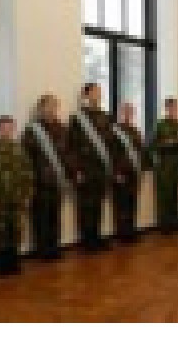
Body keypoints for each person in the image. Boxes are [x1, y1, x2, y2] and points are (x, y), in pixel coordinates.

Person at [0, 116, 35, 275]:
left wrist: (27, 195)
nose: (6, 131)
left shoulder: (20, 150)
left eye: (10, 128)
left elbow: (28, 174)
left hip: (17, 199)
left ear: (13, 129)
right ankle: (0, 265)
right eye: (3, 128)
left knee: (16, 231)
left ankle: (13, 263)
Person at [67, 83, 115, 251]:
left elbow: (110, 142)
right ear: (86, 95)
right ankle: (87, 240)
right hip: (86, 168)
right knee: (86, 205)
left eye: (99, 92)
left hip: (101, 168)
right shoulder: (78, 118)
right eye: (95, 92)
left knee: (98, 204)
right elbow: (71, 146)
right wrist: (77, 170)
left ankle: (96, 237)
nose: (98, 94)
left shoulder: (105, 116)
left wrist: (111, 165)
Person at [23, 94, 70, 259]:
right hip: (40, 182)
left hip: (57, 181)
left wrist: (70, 174)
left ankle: (54, 247)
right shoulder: (32, 130)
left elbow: (68, 153)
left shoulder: (62, 128)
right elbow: (27, 158)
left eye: (55, 106)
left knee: (55, 216)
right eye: (49, 105)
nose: (52, 109)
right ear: (41, 108)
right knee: (40, 217)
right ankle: (42, 250)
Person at [150, 97, 178, 233]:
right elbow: (153, 146)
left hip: (177, 165)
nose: (173, 110)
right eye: (171, 107)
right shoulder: (161, 125)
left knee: (175, 194)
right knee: (165, 195)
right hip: (165, 166)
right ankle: (165, 224)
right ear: (166, 108)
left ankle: (175, 221)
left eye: (175, 107)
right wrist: (167, 143)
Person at [111, 102, 144, 242]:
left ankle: (131, 231)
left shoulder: (136, 131)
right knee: (122, 205)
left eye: (131, 112)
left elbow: (140, 151)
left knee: (132, 203)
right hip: (122, 173)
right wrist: (117, 172)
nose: (128, 114)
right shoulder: (115, 131)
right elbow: (113, 153)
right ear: (121, 113)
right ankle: (122, 234)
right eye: (126, 111)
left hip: (134, 172)